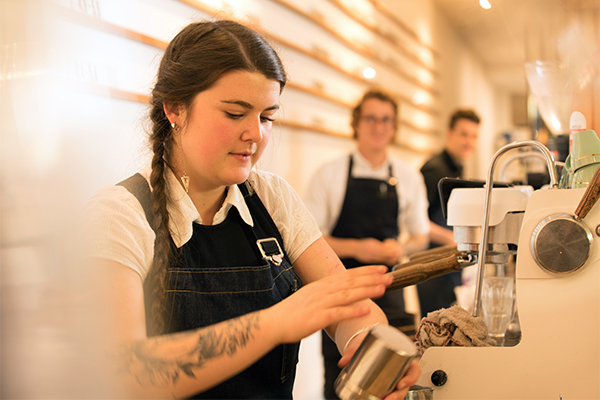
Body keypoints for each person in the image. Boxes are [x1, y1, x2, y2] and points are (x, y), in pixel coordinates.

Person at [81, 21, 420, 399]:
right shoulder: (119, 215)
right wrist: (275, 323)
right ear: (175, 107)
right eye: (235, 113)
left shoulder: (272, 198)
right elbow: (124, 373)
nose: (256, 134)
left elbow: (349, 307)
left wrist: (366, 344)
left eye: (267, 117)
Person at [304, 89, 429, 400]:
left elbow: (420, 236)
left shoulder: (408, 176)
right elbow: (308, 239)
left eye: (386, 120)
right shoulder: (329, 174)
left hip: (391, 287)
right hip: (339, 288)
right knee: (339, 373)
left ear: (394, 127)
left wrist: (401, 249)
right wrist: (357, 249)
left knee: (393, 378)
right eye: (371, 118)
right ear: (356, 124)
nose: (379, 126)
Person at [417, 109, 480, 316]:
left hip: (449, 265)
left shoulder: (456, 169)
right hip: (432, 267)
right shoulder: (434, 170)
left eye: (473, 136)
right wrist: (454, 239)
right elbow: (418, 222)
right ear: (449, 134)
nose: (469, 141)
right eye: (464, 134)